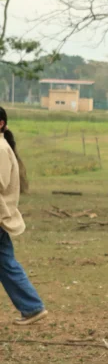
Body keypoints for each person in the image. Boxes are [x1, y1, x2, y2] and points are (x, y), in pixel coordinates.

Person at [0, 107, 47, 325]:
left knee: (7, 263)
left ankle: (32, 307)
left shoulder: (1, 149)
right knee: (6, 263)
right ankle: (32, 308)